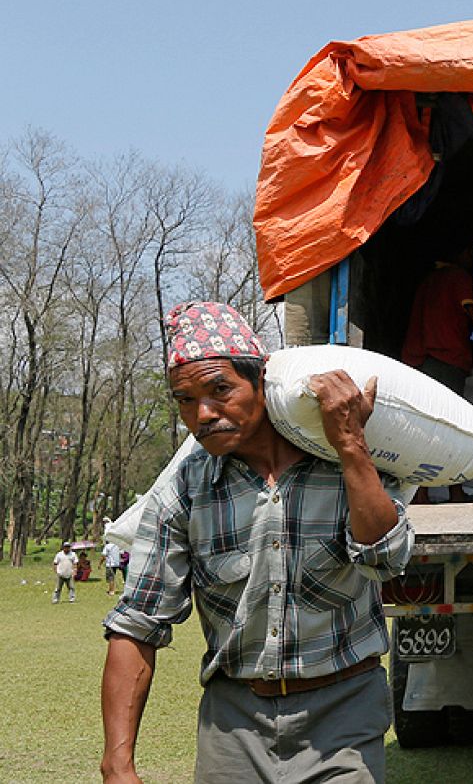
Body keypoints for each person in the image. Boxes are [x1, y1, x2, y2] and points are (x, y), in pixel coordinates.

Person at [101, 301, 412, 784]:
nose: (203, 414)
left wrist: (351, 445)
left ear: (262, 382)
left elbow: (385, 560)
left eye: (219, 390)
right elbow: (138, 623)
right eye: (185, 400)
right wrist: (117, 764)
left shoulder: (343, 461)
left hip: (343, 715)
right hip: (234, 725)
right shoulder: (184, 489)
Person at [402, 244, 473, 503]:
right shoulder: (458, 278)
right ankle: (455, 491)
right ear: (461, 253)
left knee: (423, 427)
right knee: (452, 428)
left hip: (420, 359)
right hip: (446, 359)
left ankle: (421, 493)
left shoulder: (428, 281)